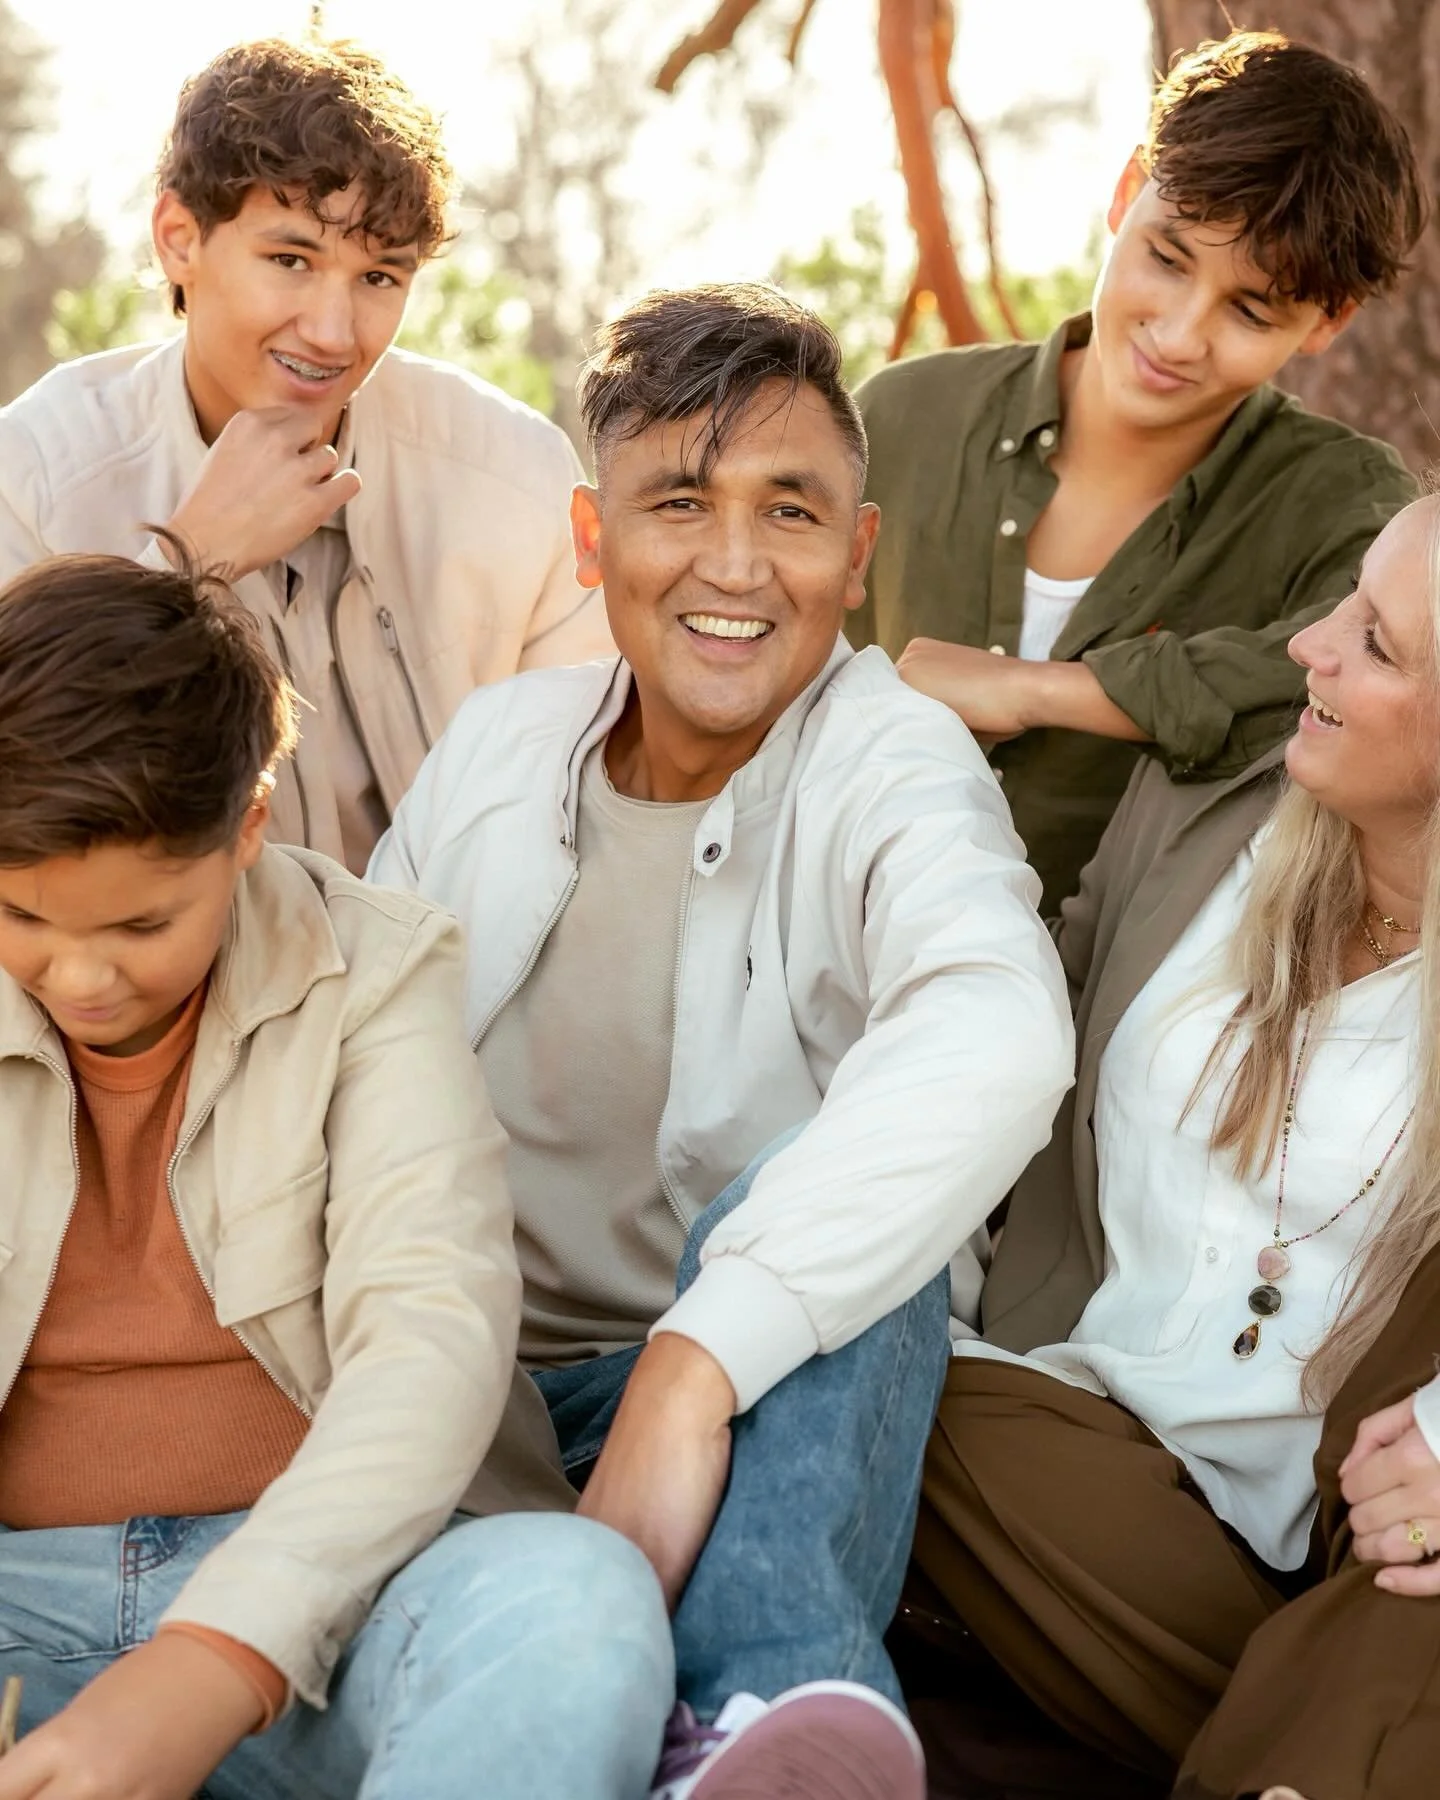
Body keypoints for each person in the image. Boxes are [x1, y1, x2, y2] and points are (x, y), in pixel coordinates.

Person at [369, 282, 1075, 1799]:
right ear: (588, 539)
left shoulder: (893, 758)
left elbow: (1000, 1026)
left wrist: (696, 1362)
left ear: (859, 555)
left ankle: (763, 1716)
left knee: (846, 1222)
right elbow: (355, 1053)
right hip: (464, 1387)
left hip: (764, 1397)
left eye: (792, 511)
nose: (737, 566)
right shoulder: (501, 746)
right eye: (678, 503)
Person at [0, 552, 671, 1800]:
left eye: (142, 925)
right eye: (25, 921)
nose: (80, 979)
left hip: (344, 1605)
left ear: (248, 826)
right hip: (21, 1608)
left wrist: (217, 1656)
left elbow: (431, 1337)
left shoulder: (378, 971)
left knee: (576, 1604)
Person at [911, 492, 1440, 1799]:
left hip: (1340, 1534)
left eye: (1374, 643)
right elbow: (1004, 1053)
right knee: (867, 1361)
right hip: (1066, 1440)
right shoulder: (1213, 803)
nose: (1309, 644)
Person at [0, 37, 613, 878]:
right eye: (290, 260)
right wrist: (188, 565)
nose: (332, 334)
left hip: (465, 986)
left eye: (379, 278)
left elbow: (593, 809)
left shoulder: (513, 477)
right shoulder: (36, 476)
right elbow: (25, 796)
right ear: (179, 238)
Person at [854, 29, 1425, 913]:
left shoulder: (1345, 504)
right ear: (1127, 191)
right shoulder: (898, 418)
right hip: (817, 984)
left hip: (1118, 1027)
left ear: (1326, 322)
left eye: (1249, 309)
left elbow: (1381, 686)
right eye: (1167, 258)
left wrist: (1042, 691)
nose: (1179, 335)